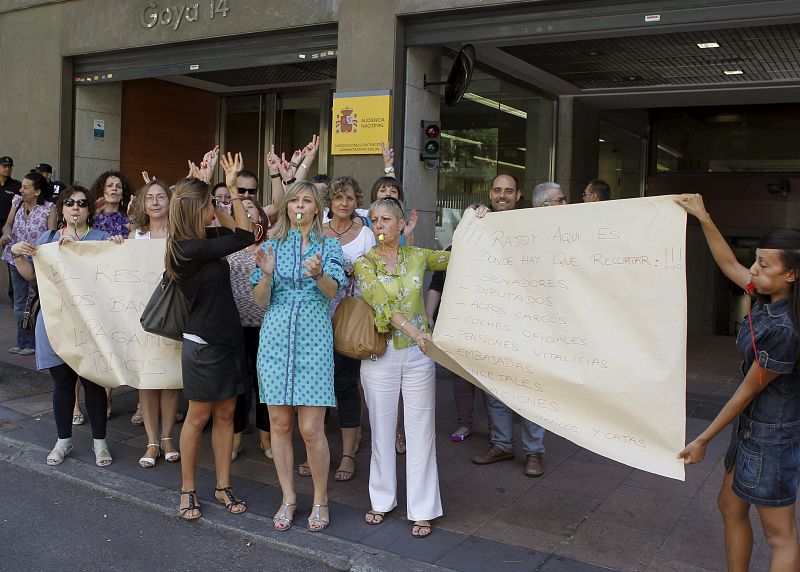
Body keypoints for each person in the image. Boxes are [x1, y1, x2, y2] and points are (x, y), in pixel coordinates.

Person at [677, 194, 800, 570]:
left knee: (780, 536)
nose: (753, 269)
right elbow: (728, 263)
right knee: (730, 505)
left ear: (791, 274)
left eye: (763, 265)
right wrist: (703, 216)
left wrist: (702, 439)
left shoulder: (785, 329)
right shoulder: (766, 297)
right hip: (754, 429)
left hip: (772, 437)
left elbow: (746, 391)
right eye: (756, 261)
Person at [251, 181, 345, 533]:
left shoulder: (330, 245)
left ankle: (321, 498)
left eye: (307, 200)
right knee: (279, 424)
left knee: (310, 429)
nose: (300, 206)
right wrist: (266, 273)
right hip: (275, 342)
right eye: (295, 201)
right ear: (287, 207)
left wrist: (319, 273)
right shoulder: (270, 245)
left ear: (318, 207)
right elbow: (261, 300)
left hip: (314, 341)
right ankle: (288, 497)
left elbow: (334, 290)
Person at [354, 197, 450, 539]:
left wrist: (476, 223)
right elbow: (383, 305)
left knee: (421, 431)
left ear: (401, 224)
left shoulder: (418, 256)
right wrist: (418, 332)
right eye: (374, 220)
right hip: (381, 355)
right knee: (381, 431)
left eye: (385, 220)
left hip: (418, 357)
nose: (378, 225)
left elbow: (455, 258)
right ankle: (381, 500)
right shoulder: (364, 264)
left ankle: (422, 509)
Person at [165, 153, 254, 520]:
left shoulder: (206, 237)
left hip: (229, 339)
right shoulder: (187, 248)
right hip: (203, 345)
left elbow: (246, 232)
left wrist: (228, 192)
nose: (214, 209)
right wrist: (228, 194)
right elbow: (245, 235)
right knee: (198, 417)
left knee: (227, 414)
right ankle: (187, 490)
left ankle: (222, 486)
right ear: (193, 210)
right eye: (208, 205)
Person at [10, 185, 123, 467]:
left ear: (89, 210)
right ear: (61, 208)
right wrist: (16, 254)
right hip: (54, 321)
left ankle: (100, 443)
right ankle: (63, 441)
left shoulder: (101, 239)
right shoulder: (47, 239)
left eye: (82, 203)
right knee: (62, 383)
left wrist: (120, 247)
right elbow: (29, 276)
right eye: (70, 203)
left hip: (90, 323)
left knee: (93, 381)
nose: (75, 207)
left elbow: (116, 277)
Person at [469, 176, 556, 477]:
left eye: (508, 191)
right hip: (494, 319)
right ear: (490, 194)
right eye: (496, 190)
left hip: (531, 320)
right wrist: (474, 217)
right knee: (495, 388)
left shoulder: (534, 224)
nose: (502, 196)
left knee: (531, 387)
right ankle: (502, 444)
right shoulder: (480, 222)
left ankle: (534, 452)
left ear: (519, 195)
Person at [296, 176, 375, 481]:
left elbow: (376, 269)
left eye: (351, 198)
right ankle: (314, 451)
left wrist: (360, 270)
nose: (344, 203)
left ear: (357, 202)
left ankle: (347, 454)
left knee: (345, 385)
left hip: (349, 317)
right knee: (316, 388)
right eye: (339, 197)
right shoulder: (318, 232)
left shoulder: (366, 234)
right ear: (328, 201)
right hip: (316, 318)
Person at [127, 180, 182, 467]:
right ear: (143, 203)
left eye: (162, 197)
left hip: (172, 312)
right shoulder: (135, 235)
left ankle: (168, 436)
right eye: (150, 198)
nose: (156, 202)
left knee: (171, 378)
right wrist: (117, 246)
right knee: (147, 379)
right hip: (141, 314)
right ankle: (151, 440)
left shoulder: (179, 233)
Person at [229, 196, 272, 461]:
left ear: (260, 216)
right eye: (240, 210)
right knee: (238, 382)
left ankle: (267, 436)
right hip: (234, 324)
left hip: (266, 324)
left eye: (251, 209)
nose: (246, 213)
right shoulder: (228, 245)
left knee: (264, 382)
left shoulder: (271, 247)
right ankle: (235, 438)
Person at [90, 170, 134, 419]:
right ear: (102, 189)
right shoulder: (93, 218)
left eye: (118, 185)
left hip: (123, 283)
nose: (115, 189)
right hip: (100, 284)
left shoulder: (130, 218)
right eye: (110, 185)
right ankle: (103, 399)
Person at [1, 171, 56, 355]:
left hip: (37, 261)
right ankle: (22, 341)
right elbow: (7, 224)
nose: (21, 190)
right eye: (21, 186)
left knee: (37, 302)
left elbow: (51, 234)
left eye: (25, 187)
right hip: (15, 258)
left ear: (37, 191)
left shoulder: (49, 208)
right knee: (19, 301)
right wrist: (6, 233)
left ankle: (35, 343)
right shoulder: (16, 202)